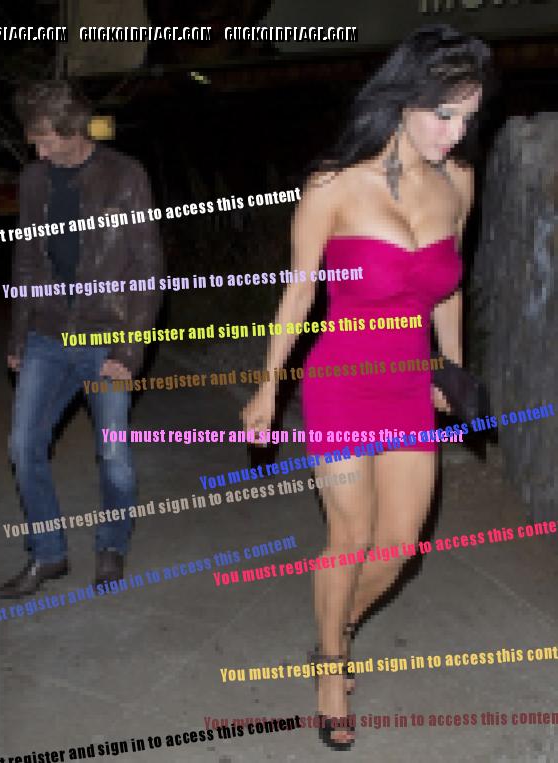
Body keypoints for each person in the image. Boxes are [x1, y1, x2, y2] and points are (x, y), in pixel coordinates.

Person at [243, 25, 492, 750]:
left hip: (410, 386)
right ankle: (330, 669)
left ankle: (337, 625)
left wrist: (451, 368)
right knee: (349, 537)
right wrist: (267, 389)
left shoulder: (458, 181)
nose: (455, 133)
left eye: (468, 119)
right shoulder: (334, 185)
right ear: (405, 99)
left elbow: (448, 287)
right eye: (443, 114)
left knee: (400, 545)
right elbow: (297, 294)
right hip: (342, 385)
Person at [0, 80, 163, 599]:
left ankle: (112, 545)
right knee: (24, 446)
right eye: (34, 141)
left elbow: (148, 266)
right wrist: (19, 335)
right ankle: (48, 553)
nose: (39, 151)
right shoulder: (33, 180)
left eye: (46, 140)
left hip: (107, 335)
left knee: (113, 455)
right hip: (47, 334)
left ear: (73, 130)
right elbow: (27, 259)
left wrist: (130, 351)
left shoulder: (125, 175)